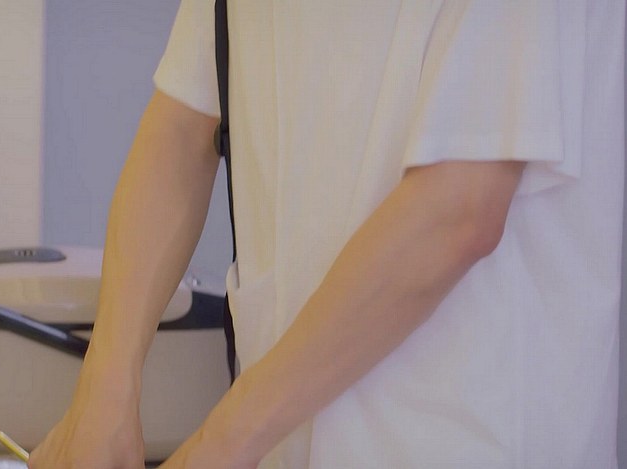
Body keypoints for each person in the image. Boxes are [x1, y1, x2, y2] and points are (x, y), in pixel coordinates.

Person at [30, 1, 625, 468]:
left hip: (465, 439)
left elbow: (459, 210)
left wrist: (220, 444)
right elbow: (184, 126)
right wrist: (105, 390)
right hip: (276, 440)